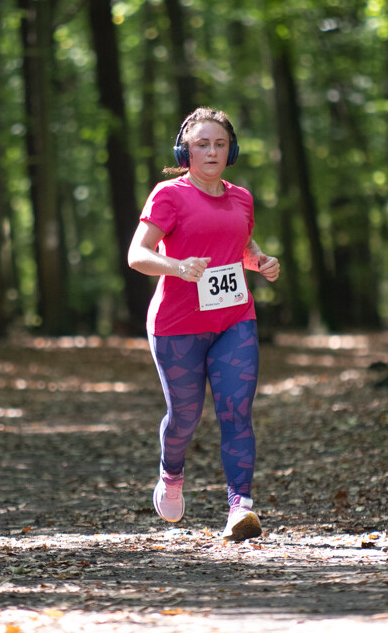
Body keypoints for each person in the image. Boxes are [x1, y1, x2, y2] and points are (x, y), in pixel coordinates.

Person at [127, 107, 281, 542]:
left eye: (220, 144)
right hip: (177, 325)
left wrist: (262, 262)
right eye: (202, 144)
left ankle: (240, 508)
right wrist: (177, 267)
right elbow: (137, 254)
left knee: (236, 411)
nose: (212, 151)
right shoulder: (168, 195)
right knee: (185, 416)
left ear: (231, 150)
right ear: (185, 151)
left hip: (235, 318)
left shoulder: (242, 197)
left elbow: (241, 247)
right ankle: (171, 475)